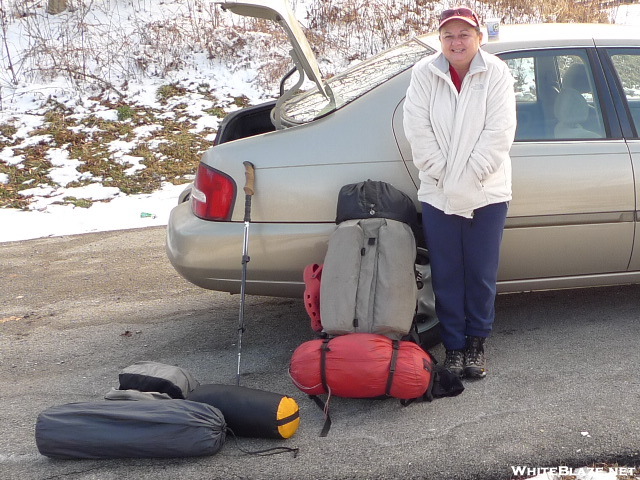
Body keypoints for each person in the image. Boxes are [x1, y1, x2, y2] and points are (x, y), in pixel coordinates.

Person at [403, 7, 517, 379]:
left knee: (481, 273)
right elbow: (418, 133)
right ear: (441, 40)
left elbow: (499, 134)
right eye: (449, 35)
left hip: (488, 192)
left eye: (464, 34)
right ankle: (453, 347)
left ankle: (476, 344)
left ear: (478, 38)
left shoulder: (496, 73)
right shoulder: (424, 75)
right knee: (448, 273)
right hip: (438, 194)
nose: (457, 42)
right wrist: (447, 180)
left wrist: (466, 181)